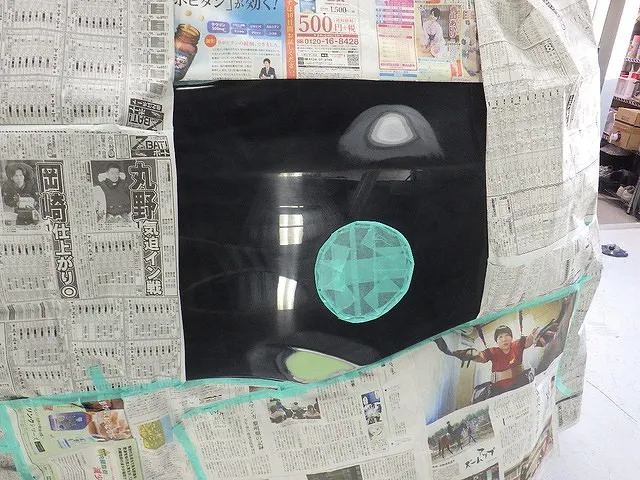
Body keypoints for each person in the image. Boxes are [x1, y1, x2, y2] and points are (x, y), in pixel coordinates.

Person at [455, 324, 539, 395]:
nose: (504, 339)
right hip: (498, 390)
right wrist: (472, 354)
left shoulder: (516, 345)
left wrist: (534, 334)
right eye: (500, 337)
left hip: (520, 385)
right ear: (497, 341)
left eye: (507, 335)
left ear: (511, 338)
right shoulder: (493, 351)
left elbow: (528, 340)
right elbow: (481, 357)